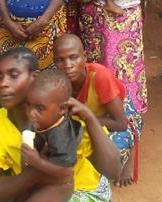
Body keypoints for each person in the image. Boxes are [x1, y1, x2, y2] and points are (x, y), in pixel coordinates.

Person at [0, 48, 121, 202]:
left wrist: (90, 119)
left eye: (13, 75)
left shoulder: (65, 114)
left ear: (34, 77)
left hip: (80, 189)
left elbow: (113, 170)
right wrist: (36, 174)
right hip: (31, 186)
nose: (3, 83)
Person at [55, 34, 142, 187]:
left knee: (111, 152)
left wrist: (86, 119)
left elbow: (121, 123)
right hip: (89, 117)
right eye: (60, 60)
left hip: (119, 115)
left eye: (73, 57)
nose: (68, 65)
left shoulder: (100, 76)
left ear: (85, 57)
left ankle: (129, 156)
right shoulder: (58, 83)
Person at [14, 69, 83, 202]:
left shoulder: (62, 135)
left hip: (59, 185)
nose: (31, 113)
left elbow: (67, 171)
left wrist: (37, 162)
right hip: (40, 176)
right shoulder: (44, 119)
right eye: (28, 105)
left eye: (39, 108)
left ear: (62, 109)